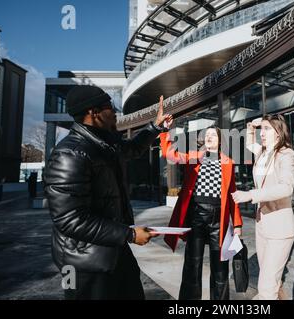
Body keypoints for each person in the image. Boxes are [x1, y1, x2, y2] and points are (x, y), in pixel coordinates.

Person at [44, 86, 171, 300]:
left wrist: (155, 127)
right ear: (93, 113)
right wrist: (129, 234)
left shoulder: (104, 141)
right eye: (109, 107)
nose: (115, 112)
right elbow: (69, 219)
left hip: (114, 250)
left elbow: (132, 148)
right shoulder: (69, 153)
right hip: (81, 263)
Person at [159, 115, 243, 300]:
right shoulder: (193, 157)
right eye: (207, 134)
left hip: (218, 219)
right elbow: (169, 154)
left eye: (214, 134)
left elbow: (232, 195)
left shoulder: (228, 162)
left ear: (220, 141)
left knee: (220, 268)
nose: (209, 137)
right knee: (192, 264)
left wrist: (237, 224)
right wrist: (167, 130)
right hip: (196, 216)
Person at [231, 115, 294, 300]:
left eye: (267, 129)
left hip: (280, 228)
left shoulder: (286, 154)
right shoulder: (262, 153)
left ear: (278, 133)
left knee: (266, 287)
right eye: (262, 129)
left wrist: (251, 195)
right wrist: (253, 125)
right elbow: (249, 142)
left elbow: (286, 187)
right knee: (273, 281)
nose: (263, 133)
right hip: (262, 226)